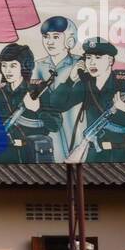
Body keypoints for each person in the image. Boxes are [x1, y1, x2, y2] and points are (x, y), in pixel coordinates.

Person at [25, 37, 125, 163]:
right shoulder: (85, 83)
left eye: (98, 58)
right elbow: (56, 105)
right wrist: (70, 80)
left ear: (110, 60)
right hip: (95, 156)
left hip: (124, 155)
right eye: (88, 58)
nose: (92, 62)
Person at [0, 43, 59, 163]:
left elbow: (55, 125)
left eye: (13, 65)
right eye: (4, 65)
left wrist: (37, 110)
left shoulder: (39, 89)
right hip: (3, 156)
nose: (7, 70)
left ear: (24, 66)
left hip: (33, 155)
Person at [33, 15, 82, 161]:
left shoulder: (79, 63)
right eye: (46, 36)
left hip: (74, 123)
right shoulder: (38, 66)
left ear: (69, 39)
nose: (49, 42)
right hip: (49, 128)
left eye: (56, 37)